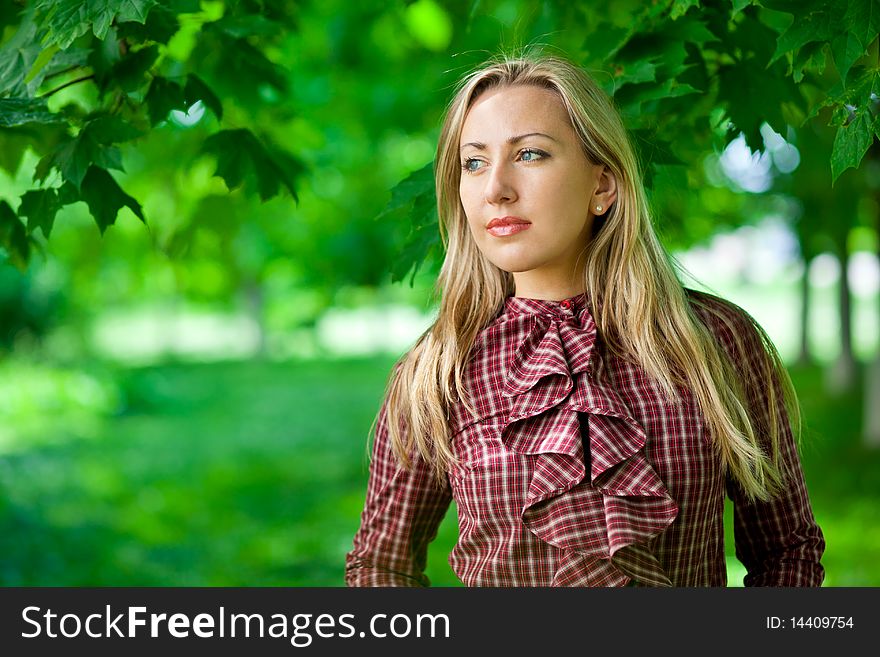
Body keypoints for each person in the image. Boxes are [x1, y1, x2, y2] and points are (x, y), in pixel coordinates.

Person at [344, 53, 825, 587]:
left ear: (603, 185)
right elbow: (379, 566)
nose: (495, 188)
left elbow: (787, 552)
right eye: (474, 162)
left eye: (529, 154)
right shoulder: (440, 369)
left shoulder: (714, 341)